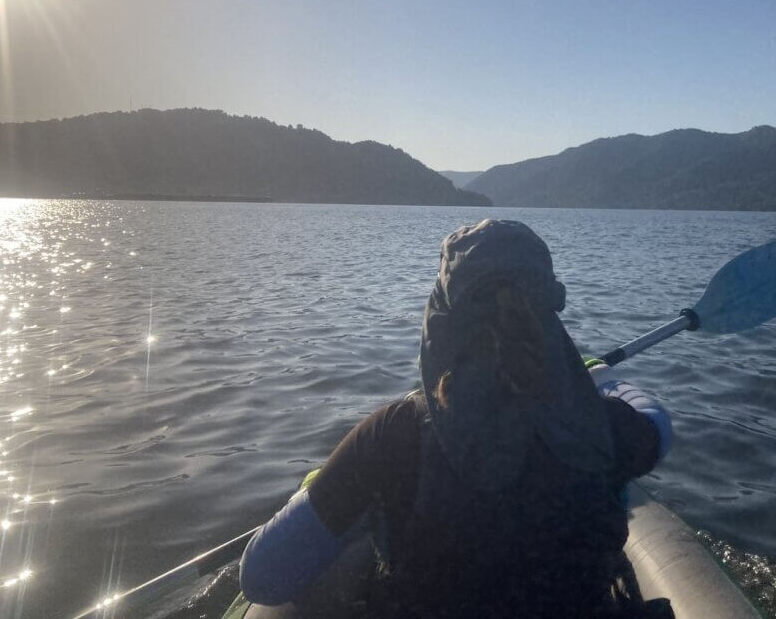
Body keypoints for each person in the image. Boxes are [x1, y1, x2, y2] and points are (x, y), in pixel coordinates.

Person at [238, 219, 673, 619]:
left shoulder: (393, 434)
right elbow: (658, 422)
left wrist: (322, 488)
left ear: (441, 318)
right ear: (547, 311)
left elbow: (262, 576)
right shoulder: (605, 427)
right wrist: (596, 379)